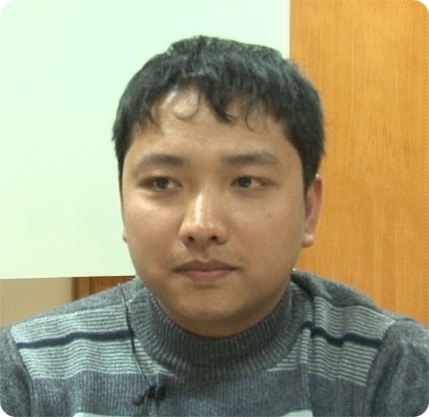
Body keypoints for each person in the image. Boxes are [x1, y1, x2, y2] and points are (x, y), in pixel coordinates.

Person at [0, 35, 428, 417]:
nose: (201, 226)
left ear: (308, 207)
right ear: (122, 203)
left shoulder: (394, 367)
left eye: (247, 182)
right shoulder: (28, 370)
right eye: (162, 183)